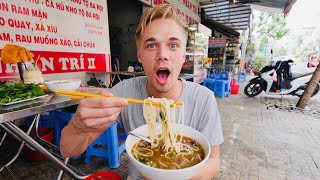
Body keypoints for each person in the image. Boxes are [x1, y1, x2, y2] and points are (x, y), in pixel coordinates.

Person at [60, 4, 223, 180]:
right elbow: (67, 150)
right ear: (139, 55)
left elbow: (213, 160)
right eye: (151, 46)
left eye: (173, 45)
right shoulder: (124, 92)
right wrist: (79, 126)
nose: (162, 54)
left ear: (183, 56)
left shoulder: (203, 98)